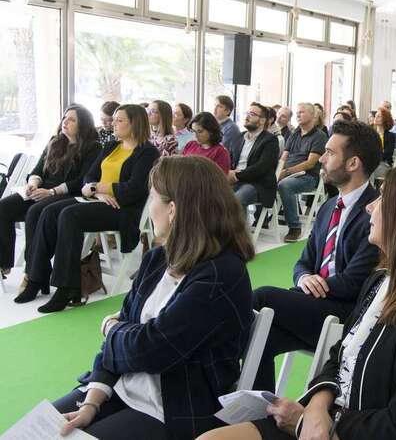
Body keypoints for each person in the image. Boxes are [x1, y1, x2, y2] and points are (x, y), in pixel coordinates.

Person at [201, 163, 396, 440]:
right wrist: (316, 407)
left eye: (383, 199)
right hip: (327, 422)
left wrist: (306, 422)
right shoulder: (381, 280)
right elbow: (339, 355)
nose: (370, 207)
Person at [50, 156, 254, 440]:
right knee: (36, 429)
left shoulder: (222, 274)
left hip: (171, 407)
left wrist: (111, 328)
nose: (149, 207)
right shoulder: (157, 259)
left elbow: (152, 349)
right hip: (120, 388)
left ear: (173, 209)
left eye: (153, 197)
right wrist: (91, 403)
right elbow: (127, 338)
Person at [249, 121, 381, 392]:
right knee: (259, 336)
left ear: (353, 163)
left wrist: (312, 286)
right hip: (315, 305)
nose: (321, 158)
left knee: (262, 297)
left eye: (330, 153)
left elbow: (355, 282)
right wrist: (304, 278)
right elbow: (303, 262)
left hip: (345, 314)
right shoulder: (329, 206)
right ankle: (258, 409)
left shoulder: (377, 212)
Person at [18, 105, 160, 311]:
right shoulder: (111, 146)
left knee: (69, 215)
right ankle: (35, 278)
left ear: (134, 124)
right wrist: (97, 191)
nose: (113, 124)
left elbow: (134, 189)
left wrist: (99, 187)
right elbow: (89, 177)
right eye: (114, 119)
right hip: (98, 199)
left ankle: (67, 287)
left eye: (119, 120)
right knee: (49, 212)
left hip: (122, 208)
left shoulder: (147, 152)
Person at [0, 105, 100, 278]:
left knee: (34, 212)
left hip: (66, 194)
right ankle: (4, 263)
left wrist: (51, 192)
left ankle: (32, 271)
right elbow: (38, 170)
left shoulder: (93, 148)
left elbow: (82, 181)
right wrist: (33, 184)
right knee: (3, 207)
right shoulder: (55, 141)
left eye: (72, 120)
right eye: (65, 118)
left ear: (83, 124)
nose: (65, 122)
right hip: (42, 190)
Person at [277, 103, 328, 242]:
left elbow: (310, 163)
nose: (298, 115)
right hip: (288, 174)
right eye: (297, 112)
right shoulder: (294, 134)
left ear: (313, 115)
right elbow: (284, 157)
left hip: (308, 177)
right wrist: (277, 172)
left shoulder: (319, 136)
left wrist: (286, 172)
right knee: (263, 180)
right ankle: (261, 220)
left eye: (302, 112)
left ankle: (295, 227)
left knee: (285, 185)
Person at [229, 104, 280, 211]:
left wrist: (237, 175)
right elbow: (230, 159)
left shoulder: (270, 140)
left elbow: (262, 167)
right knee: (212, 195)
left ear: (262, 120)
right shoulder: (239, 137)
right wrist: (229, 172)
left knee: (237, 200)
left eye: (252, 114)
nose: (247, 117)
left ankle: (238, 223)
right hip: (235, 180)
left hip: (257, 184)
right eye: (247, 113)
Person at [371, 107, 395, 180]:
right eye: (375, 116)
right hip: (370, 163)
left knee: (372, 170)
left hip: (383, 163)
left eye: (379, 116)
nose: (375, 118)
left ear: (385, 119)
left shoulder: (390, 136)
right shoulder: (370, 134)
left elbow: (387, 154)